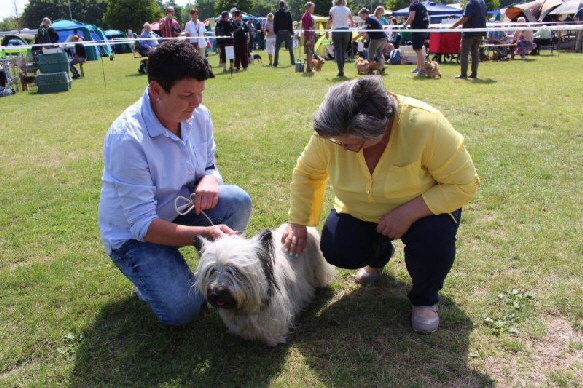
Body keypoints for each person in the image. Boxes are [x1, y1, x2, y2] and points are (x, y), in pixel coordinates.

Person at [282, 76, 478, 334]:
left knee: (433, 241)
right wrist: (298, 222)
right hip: (361, 210)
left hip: (425, 210)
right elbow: (307, 173)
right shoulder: (332, 132)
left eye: (349, 144)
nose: (341, 148)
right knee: (338, 249)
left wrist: (408, 213)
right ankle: (379, 254)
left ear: (378, 130)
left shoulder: (425, 124)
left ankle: (424, 299)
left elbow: (463, 184)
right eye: (337, 143)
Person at [98, 40, 252, 326]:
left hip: (179, 211)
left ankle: (193, 268)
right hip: (135, 238)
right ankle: (153, 274)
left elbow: (208, 164)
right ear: (156, 90)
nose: (197, 104)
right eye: (186, 96)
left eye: (201, 93)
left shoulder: (198, 116)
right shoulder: (128, 139)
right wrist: (207, 232)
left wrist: (209, 179)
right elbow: (143, 226)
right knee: (183, 309)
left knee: (237, 200)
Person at [451, 0, 487, 78]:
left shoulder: (470, 3)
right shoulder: (482, 2)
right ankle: (474, 74)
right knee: (475, 52)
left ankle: (463, 74)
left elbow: (465, 18)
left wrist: (453, 26)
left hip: (469, 32)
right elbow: (485, 16)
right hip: (480, 31)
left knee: (464, 52)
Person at [327, 0, 354, 77]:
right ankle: (342, 69)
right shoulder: (347, 9)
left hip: (336, 31)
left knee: (338, 51)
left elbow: (330, 20)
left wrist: (327, 30)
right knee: (343, 51)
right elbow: (351, 21)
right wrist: (350, 26)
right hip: (346, 31)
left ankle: (341, 70)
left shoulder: (332, 9)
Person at [355, 8, 386, 73]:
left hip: (376, 38)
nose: (361, 17)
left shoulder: (368, 20)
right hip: (384, 38)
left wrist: (355, 38)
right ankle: (382, 68)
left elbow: (365, 31)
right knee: (379, 53)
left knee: (370, 54)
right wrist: (363, 39)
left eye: (361, 16)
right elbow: (368, 32)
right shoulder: (373, 19)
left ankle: (370, 70)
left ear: (365, 14)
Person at [405, 0, 429, 75]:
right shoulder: (422, 6)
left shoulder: (413, 6)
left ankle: (422, 69)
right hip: (424, 29)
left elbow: (411, 17)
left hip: (417, 30)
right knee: (419, 49)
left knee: (418, 50)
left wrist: (404, 25)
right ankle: (418, 67)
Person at [273, 0, 295, 67]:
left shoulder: (276, 13)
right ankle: (293, 62)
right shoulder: (288, 13)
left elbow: (275, 24)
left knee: (277, 49)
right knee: (290, 48)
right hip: (287, 32)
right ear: (284, 5)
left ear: (279, 5)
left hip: (279, 32)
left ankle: (275, 62)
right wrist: (291, 32)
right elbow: (290, 23)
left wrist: (276, 32)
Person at [302, 2, 316, 73]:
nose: (313, 9)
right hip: (309, 37)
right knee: (309, 53)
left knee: (310, 53)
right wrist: (309, 39)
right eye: (312, 7)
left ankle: (309, 68)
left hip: (310, 36)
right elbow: (307, 29)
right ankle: (309, 68)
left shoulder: (308, 15)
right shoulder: (307, 16)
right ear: (308, 8)